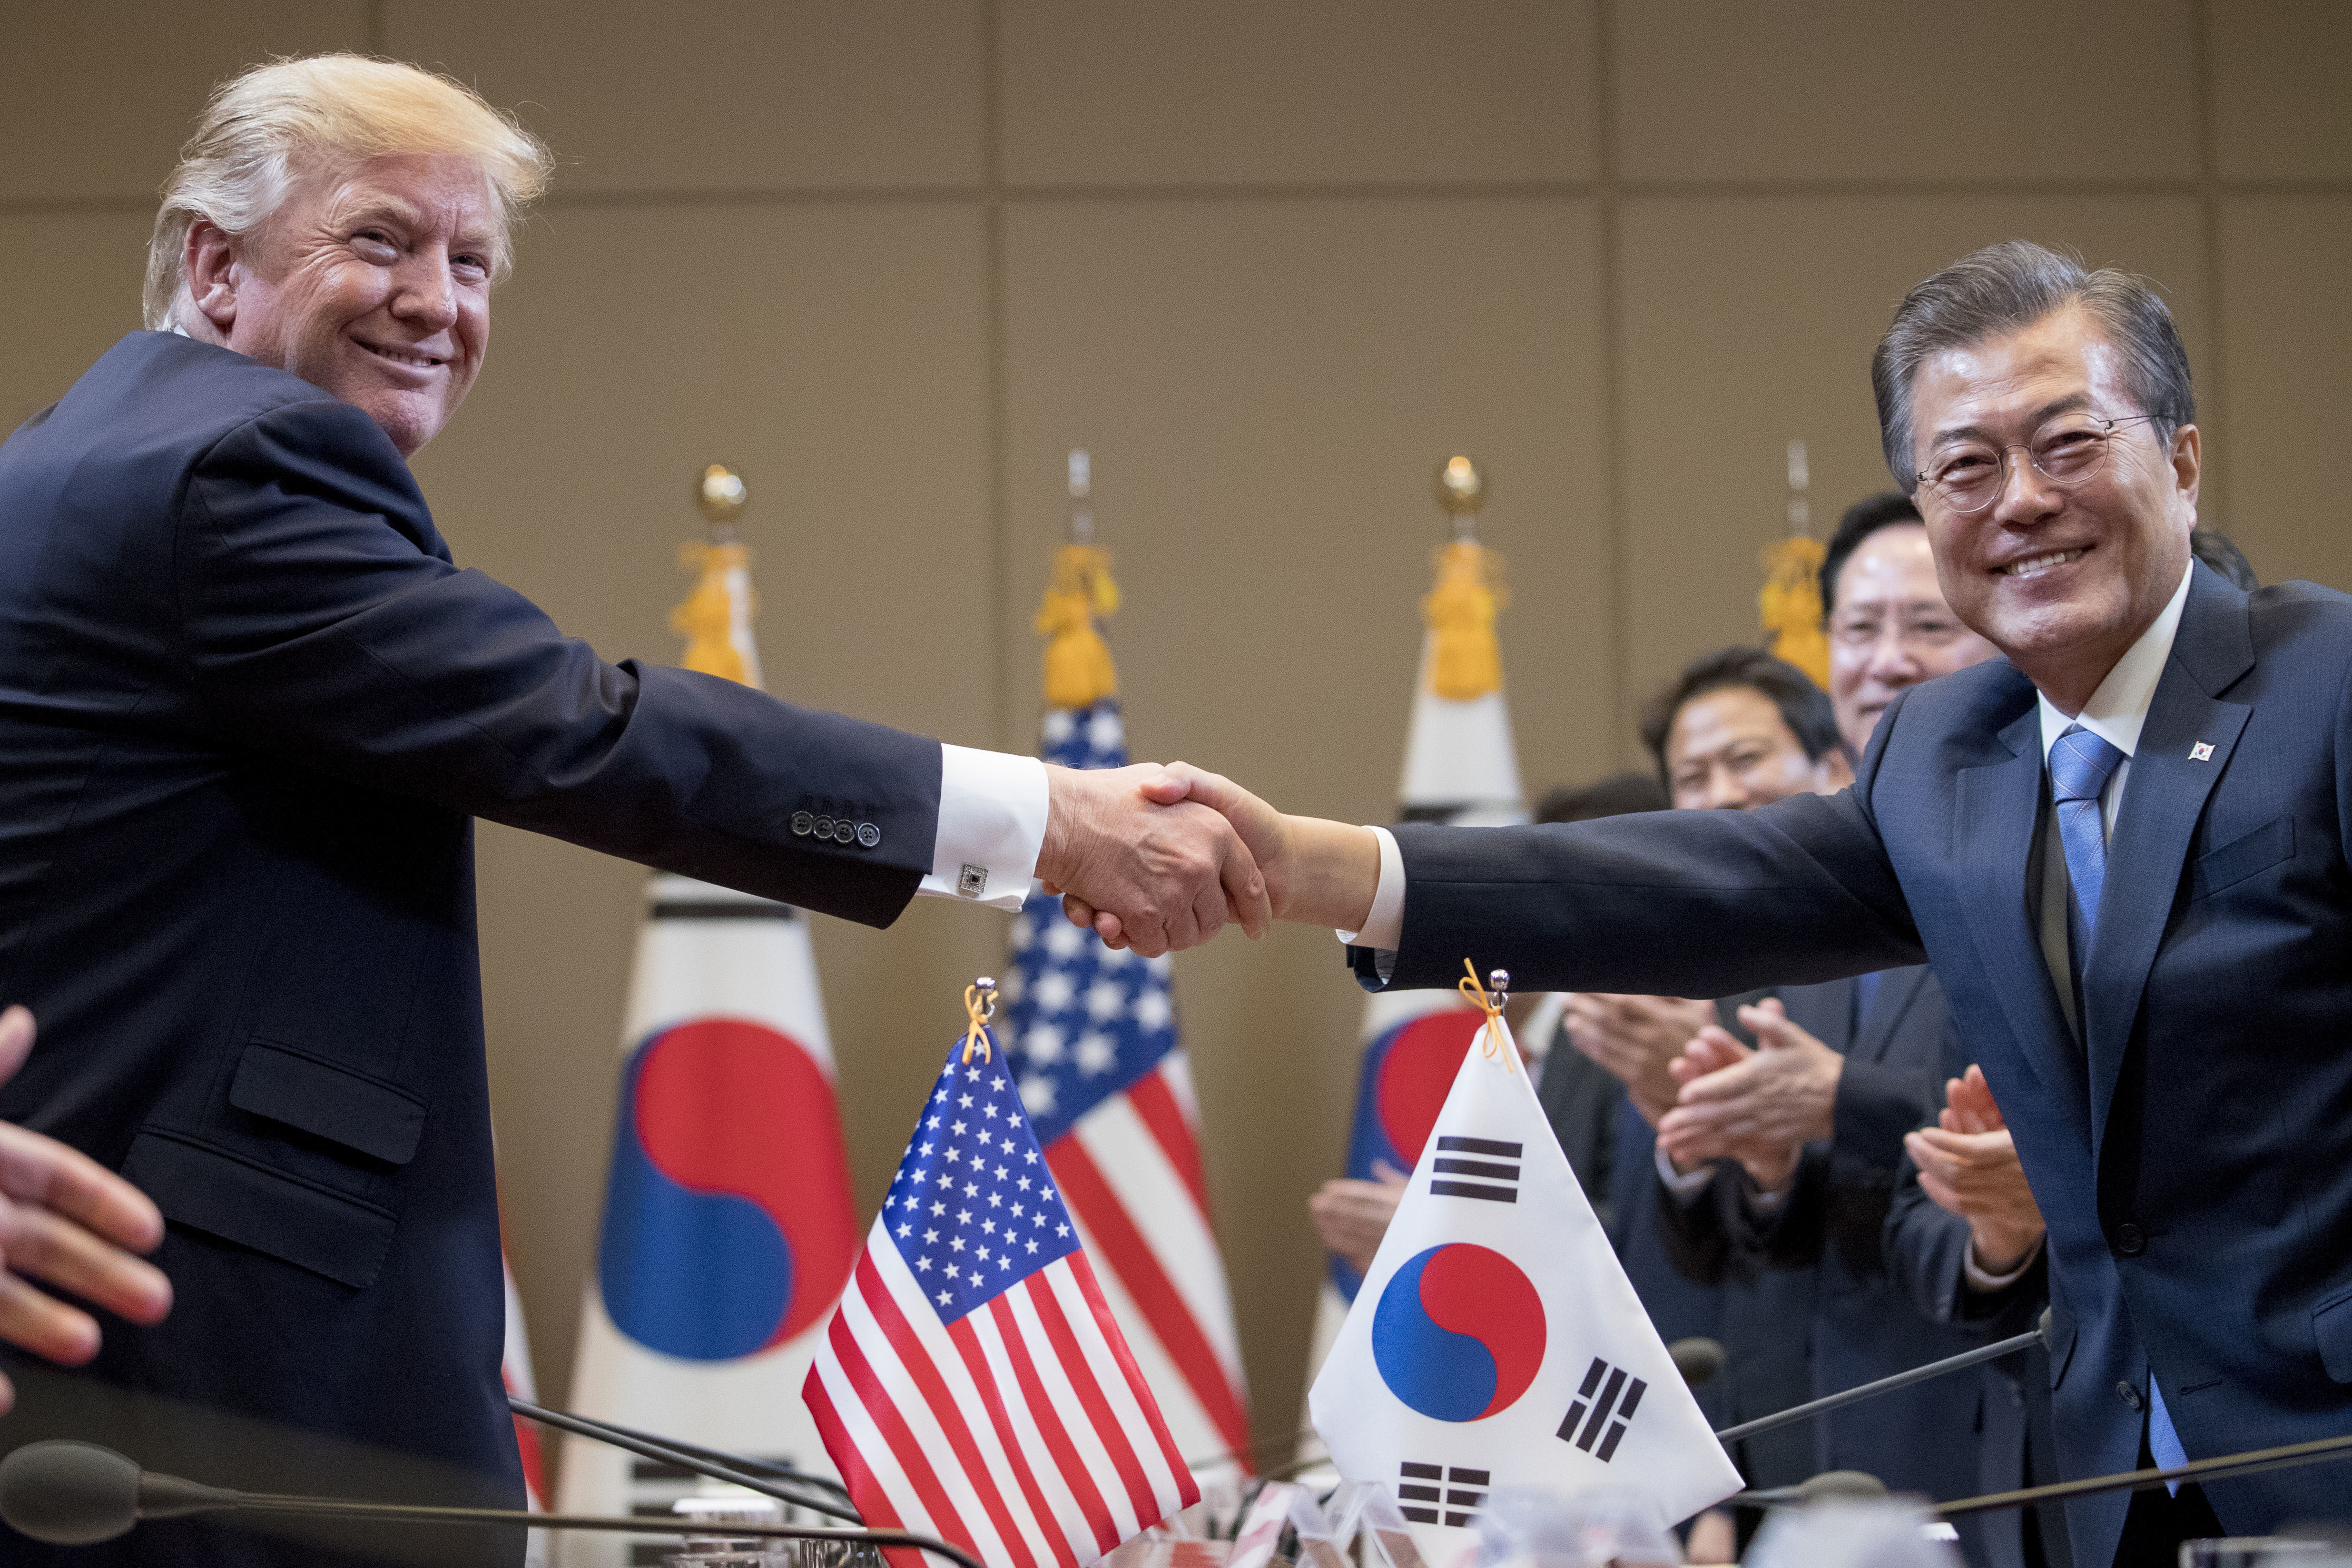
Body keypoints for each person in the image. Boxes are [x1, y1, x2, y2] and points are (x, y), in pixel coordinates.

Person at [0, 57, 1262, 1568]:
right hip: (207, 1362)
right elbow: (576, 727)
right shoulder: (238, 464)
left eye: (473, 263)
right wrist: (1043, 821)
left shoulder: (76, 455)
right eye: (381, 240)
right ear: (216, 267)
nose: (437, 303)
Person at [1127, 241, 2348, 1565]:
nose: (2022, 501)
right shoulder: (1951, 754)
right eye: (1965, 467)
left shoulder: (2324, 684)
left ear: (2181, 459)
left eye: (2068, 444)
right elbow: (1701, 886)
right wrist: (1306, 866)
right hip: (2120, 1499)